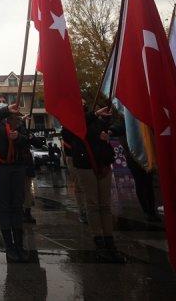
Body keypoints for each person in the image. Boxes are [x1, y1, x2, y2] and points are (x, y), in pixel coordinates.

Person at [65, 103, 124, 263]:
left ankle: (109, 241)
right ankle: (99, 241)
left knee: (105, 205)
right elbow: (71, 133)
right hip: (85, 166)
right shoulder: (75, 120)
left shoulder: (98, 120)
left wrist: (109, 130)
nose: (82, 102)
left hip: (103, 163)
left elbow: (118, 127)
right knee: (93, 203)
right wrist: (93, 114)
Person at [0, 94, 31, 263]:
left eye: (3, 101)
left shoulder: (17, 120)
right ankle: (9, 246)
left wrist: (18, 138)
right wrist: (4, 112)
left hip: (17, 166)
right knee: (4, 205)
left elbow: (26, 140)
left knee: (17, 204)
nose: (1, 103)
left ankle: (19, 244)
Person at [61, 129, 88, 224]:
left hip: (86, 154)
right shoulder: (66, 128)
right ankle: (83, 211)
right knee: (79, 184)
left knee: (85, 185)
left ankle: (88, 209)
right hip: (73, 156)